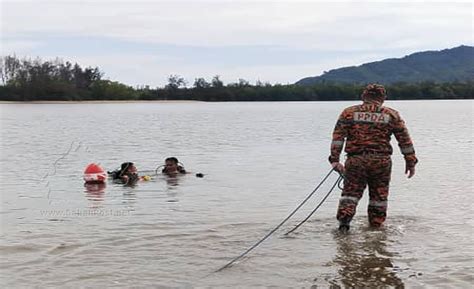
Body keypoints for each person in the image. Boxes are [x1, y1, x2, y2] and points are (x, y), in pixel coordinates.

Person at [329, 83, 418, 232]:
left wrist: (335, 160)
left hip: (356, 160)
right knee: (379, 198)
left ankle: (344, 224)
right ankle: (376, 228)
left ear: (363, 96)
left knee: (350, 195)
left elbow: (338, 138)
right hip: (381, 161)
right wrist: (410, 161)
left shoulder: (349, 113)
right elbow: (404, 140)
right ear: (383, 98)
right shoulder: (392, 114)